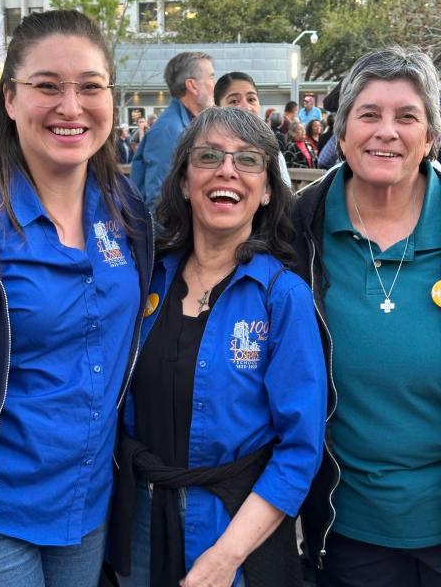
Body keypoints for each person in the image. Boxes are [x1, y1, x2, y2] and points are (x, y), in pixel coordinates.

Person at [0, 9, 153, 587]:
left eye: (90, 87)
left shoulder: (128, 212)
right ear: (10, 99)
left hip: (89, 504)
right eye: (47, 86)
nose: (71, 107)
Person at [109, 107, 327, 587]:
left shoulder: (282, 298)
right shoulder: (144, 278)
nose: (226, 169)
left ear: (267, 190)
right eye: (208, 156)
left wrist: (226, 557)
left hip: (234, 528)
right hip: (139, 521)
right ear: (185, 182)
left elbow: (299, 450)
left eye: (248, 161)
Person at [294, 46, 441, 587]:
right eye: (369, 114)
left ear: (430, 137)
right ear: (343, 129)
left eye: (407, 116)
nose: (387, 131)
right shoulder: (294, 229)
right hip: (349, 528)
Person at [130, 51, 215, 210]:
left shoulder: (185, 124)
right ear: (192, 86)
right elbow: (159, 199)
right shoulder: (169, 130)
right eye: (211, 77)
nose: (214, 84)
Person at [214, 71, 291, 188]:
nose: (246, 107)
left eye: (251, 99)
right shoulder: (207, 148)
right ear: (217, 108)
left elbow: (285, 194)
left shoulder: (272, 151)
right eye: (234, 101)